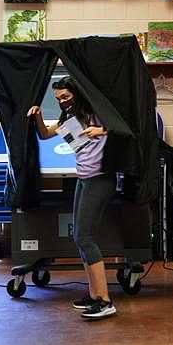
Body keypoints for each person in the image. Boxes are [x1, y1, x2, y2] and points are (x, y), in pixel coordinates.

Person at [27, 76, 116, 319]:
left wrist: (102, 130)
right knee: (80, 237)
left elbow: (127, 128)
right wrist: (36, 115)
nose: (63, 102)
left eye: (66, 97)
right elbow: (45, 134)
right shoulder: (69, 120)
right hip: (85, 179)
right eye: (59, 99)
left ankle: (105, 301)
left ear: (78, 94)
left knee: (85, 237)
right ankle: (94, 295)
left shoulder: (98, 113)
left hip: (100, 178)